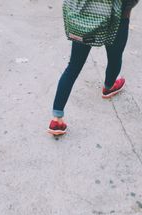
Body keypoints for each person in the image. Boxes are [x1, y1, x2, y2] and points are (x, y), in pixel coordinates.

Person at [48, 0, 140, 136]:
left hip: (85, 18)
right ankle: (109, 86)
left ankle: (56, 119)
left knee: (73, 67)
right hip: (119, 18)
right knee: (114, 58)